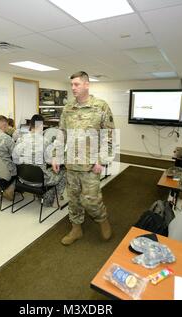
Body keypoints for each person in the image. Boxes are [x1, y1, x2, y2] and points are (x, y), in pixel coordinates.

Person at [52, 71, 115, 246]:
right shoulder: (68, 108)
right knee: (73, 199)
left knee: (91, 200)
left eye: (77, 84)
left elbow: (108, 136)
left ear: (87, 84)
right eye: (71, 84)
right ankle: (76, 229)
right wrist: (56, 156)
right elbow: (61, 133)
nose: (73, 88)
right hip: (71, 164)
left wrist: (101, 160)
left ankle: (102, 220)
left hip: (90, 165)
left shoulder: (100, 106)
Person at [12, 114, 66, 207]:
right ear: (41, 126)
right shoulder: (45, 141)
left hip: (22, 179)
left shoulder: (20, 139)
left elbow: (15, 158)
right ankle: (54, 201)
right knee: (63, 171)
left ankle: (41, 195)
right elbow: (52, 161)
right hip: (39, 181)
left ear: (30, 125)